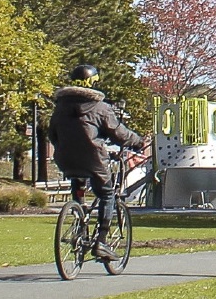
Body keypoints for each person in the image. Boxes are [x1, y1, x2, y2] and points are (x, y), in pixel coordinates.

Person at [48, 65, 146, 220]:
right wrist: (138, 141)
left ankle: (79, 221)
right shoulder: (100, 108)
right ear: (93, 83)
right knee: (107, 194)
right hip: (94, 159)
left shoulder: (60, 107)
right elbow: (119, 133)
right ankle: (101, 239)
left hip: (65, 159)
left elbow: (52, 135)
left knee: (78, 184)